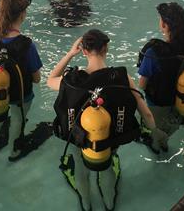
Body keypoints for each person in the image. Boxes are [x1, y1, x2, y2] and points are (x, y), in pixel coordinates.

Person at [48, 30, 167, 210]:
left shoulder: (72, 81)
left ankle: (86, 204)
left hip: (79, 139)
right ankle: (109, 204)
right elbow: (146, 113)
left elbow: (50, 79)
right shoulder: (121, 78)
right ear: (106, 48)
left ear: (84, 51)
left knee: (80, 168)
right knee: (107, 165)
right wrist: (156, 132)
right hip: (109, 140)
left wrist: (71, 54)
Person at [0, 0, 43, 160]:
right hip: (21, 95)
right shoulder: (27, 45)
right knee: (17, 120)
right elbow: (36, 78)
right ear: (22, 15)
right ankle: (13, 152)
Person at [137, 3, 184, 147]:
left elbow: (142, 85)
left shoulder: (153, 52)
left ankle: (158, 148)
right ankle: (165, 143)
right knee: (169, 127)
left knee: (156, 132)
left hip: (158, 103)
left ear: (165, 25)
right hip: (179, 98)